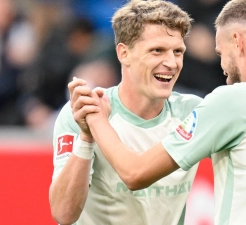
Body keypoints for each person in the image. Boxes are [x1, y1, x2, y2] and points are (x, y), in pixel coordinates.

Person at [71, 0, 246, 224]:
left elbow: (134, 173)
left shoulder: (235, 101)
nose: (223, 69)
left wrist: (96, 119)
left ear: (238, 42)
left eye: (220, 53)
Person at [49, 1, 202, 224]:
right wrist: (86, 137)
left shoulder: (193, 112)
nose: (171, 62)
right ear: (124, 53)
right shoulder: (85, 111)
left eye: (178, 51)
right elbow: (63, 213)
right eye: (157, 50)